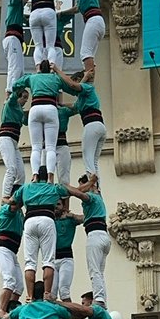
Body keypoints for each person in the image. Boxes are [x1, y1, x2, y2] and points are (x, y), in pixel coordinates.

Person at [19, 0, 76, 67]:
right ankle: (52, 66)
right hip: (48, 12)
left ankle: (38, 67)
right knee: (50, 46)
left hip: (34, 13)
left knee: (38, 46)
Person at [56, 69, 106, 181]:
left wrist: (57, 70)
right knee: (93, 161)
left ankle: (92, 184)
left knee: (87, 157)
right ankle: (97, 186)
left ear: (78, 79)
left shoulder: (88, 88)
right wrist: (61, 104)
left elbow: (74, 86)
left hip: (92, 125)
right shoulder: (82, 99)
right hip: (99, 126)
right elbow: (74, 107)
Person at [77, 174, 110, 306]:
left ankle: (99, 299)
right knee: (99, 273)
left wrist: (89, 182)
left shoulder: (91, 197)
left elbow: (77, 192)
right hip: (104, 236)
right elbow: (84, 218)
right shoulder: (99, 199)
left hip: (94, 236)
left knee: (94, 270)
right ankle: (102, 299)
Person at [0, 197, 24, 311]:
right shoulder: (5, 210)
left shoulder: (20, 215)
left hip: (12, 252)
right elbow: (13, 206)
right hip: (4, 249)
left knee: (19, 286)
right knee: (9, 280)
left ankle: (9, 309)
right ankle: (1, 311)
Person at [0, 87, 29, 198]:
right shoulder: (10, 105)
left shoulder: (19, 111)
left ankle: (15, 196)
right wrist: (20, 84)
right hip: (6, 139)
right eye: (24, 97)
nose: (26, 100)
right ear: (18, 97)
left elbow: (27, 121)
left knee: (21, 175)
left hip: (13, 142)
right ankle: (5, 196)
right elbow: (13, 96)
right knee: (11, 169)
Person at [74, 0, 105, 76]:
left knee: (85, 53)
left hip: (93, 20)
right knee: (89, 55)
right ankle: (90, 77)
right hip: (96, 22)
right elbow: (75, 9)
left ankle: (89, 80)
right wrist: (60, 13)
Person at [52, 199, 82, 303]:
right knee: (51, 293)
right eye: (54, 204)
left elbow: (85, 218)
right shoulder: (49, 221)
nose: (56, 206)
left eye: (58, 204)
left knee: (64, 291)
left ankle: (70, 314)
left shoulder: (69, 220)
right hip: (52, 259)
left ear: (63, 206)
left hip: (66, 258)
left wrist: (72, 216)